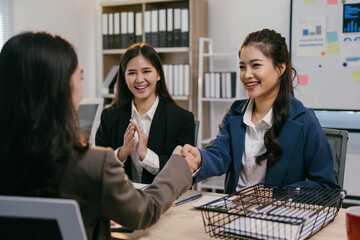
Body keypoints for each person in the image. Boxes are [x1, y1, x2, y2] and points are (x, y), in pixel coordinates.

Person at [0, 31, 199, 240]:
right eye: (80, 78)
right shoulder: (92, 164)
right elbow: (142, 211)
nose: (82, 90)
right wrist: (180, 165)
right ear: (60, 88)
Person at [180, 29, 340, 194]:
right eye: (242, 67)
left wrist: (274, 195)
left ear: (280, 68)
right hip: (232, 212)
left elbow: (326, 188)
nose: (247, 74)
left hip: (277, 215)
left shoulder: (303, 120)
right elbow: (220, 154)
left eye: (256, 65)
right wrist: (199, 158)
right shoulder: (235, 113)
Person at [95, 42, 195, 184]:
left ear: (158, 74)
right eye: (132, 73)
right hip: (120, 202)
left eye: (146, 71)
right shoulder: (109, 116)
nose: (139, 79)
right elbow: (98, 166)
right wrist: (122, 153)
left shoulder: (182, 119)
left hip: (165, 202)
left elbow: (185, 168)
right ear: (124, 77)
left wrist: (146, 155)